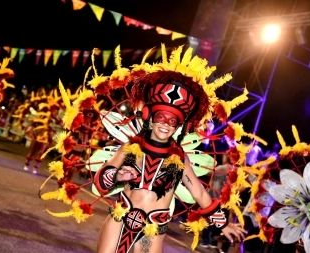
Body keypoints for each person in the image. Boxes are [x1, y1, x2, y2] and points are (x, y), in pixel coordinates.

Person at [92, 45, 248, 253]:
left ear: (178, 126)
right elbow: (101, 180)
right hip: (121, 216)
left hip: (153, 229)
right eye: (161, 118)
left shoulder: (180, 159)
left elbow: (200, 194)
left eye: (172, 120)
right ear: (151, 118)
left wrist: (223, 224)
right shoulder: (131, 147)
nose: (166, 124)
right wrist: (118, 176)